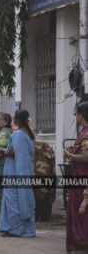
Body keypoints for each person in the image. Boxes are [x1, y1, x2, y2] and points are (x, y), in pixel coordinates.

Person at [0, 108, 36, 238]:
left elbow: (13, 152)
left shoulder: (18, 135)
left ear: (18, 120)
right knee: (25, 199)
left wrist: (4, 151)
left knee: (13, 200)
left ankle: (15, 229)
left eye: (15, 118)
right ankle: (27, 229)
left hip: (15, 172)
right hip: (27, 172)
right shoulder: (31, 134)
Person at [66, 102, 88, 252]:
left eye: (77, 113)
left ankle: (82, 242)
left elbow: (86, 157)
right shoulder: (83, 132)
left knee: (82, 211)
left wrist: (70, 156)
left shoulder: (86, 134)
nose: (76, 116)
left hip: (83, 178)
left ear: (82, 114)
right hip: (79, 176)